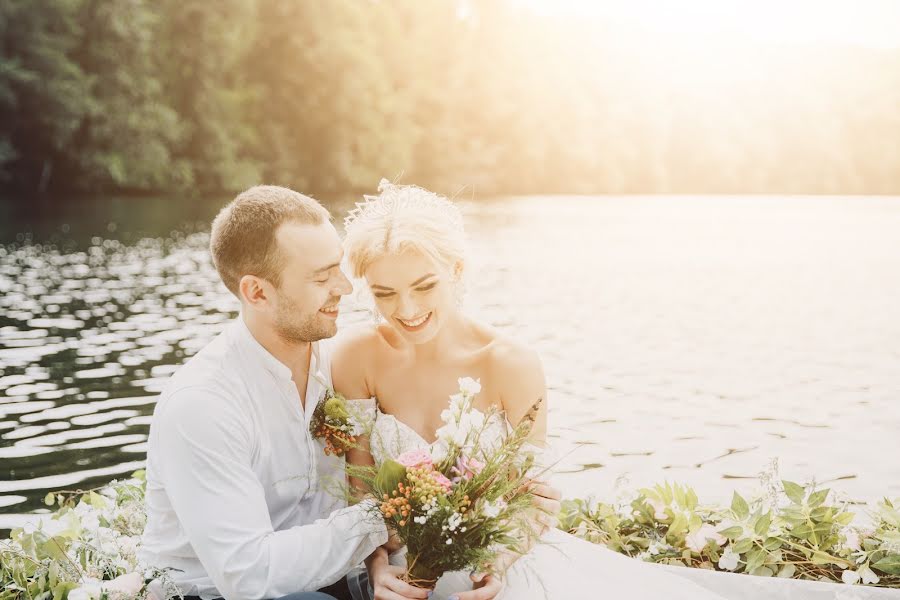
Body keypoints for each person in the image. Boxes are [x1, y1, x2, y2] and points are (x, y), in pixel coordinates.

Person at [331, 181, 734, 600]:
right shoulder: (357, 357)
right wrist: (377, 566)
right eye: (385, 294)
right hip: (395, 573)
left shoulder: (509, 363)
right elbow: (357, 488)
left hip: (493, 565)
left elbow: (532, 499)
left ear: (456, 269)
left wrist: (496, 566)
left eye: (424, 286)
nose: (407, 309)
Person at [139, 186, 415, 600]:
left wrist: (380, 564)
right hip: (212, 593)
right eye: (322, 278)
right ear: (257, 293)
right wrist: (382, 516)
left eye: (337, 268)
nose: (344, 287)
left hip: (334, 580)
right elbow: (249, 576)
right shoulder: (202, 404)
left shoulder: (341, 362)